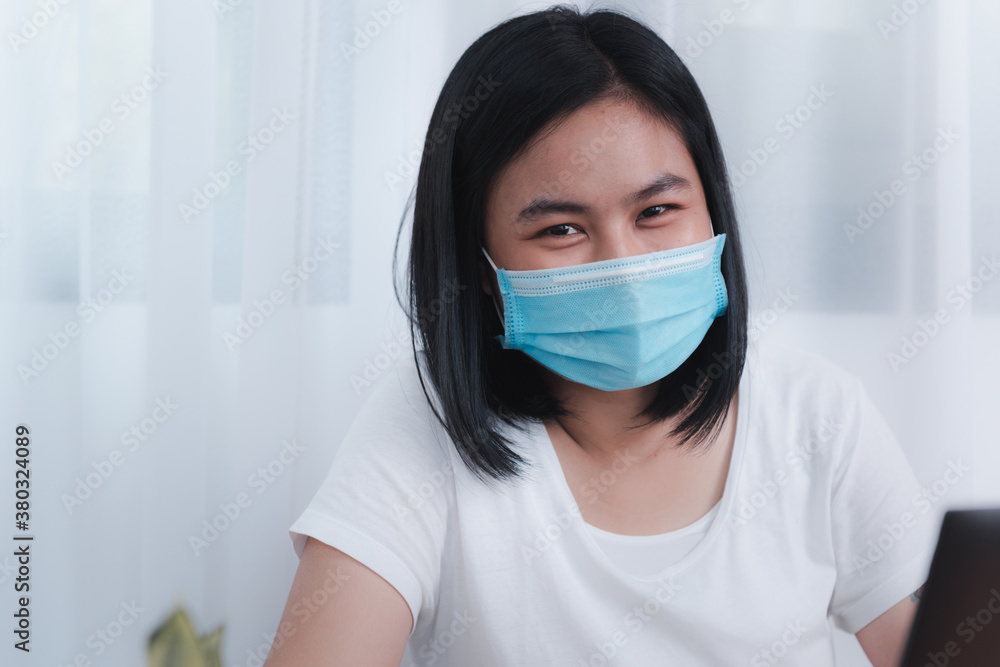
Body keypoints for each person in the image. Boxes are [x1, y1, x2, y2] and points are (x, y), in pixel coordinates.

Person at [263, 5, 937, 666]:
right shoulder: (427, 423)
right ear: (482, 267)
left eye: (657, 210)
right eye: (561, 229)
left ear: (712, 209)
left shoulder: (816, 414)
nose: (624, 266)